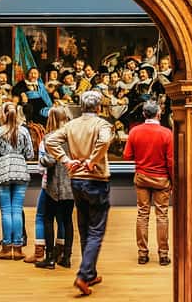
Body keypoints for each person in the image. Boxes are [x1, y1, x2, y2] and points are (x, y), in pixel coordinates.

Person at [45, 91, 113, 295]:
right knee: (96, 230)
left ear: (82, 106)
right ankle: (83, 275)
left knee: (84, 227)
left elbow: (50, 141)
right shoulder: (102, 125)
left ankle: (90, 273)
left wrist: (66, 161)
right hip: (96, 180)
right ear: (98, 107)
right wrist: (92, 161)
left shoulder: (71, 125)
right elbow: (104, 141)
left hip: (76, 180)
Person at [123, 101, 174, 265]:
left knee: (142, 214)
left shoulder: (135, 132)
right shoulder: (167, 133)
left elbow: (127, 156)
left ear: (144, 114)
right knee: (162, 216)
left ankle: (142, 254)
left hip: (142, 177)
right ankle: (163, 254)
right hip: (161, 179)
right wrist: (173, 181)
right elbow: (171, 161)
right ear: (158, 114)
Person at [0, 101, 34, 260]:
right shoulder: (24, 131)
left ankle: (6, 248)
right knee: (17, 210)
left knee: (6, 211)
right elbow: (30, 154)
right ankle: (18, 249)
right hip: (20, 171)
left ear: (3, 114)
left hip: (2, 172)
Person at [35, 106, 75, 270]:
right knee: (67, 220)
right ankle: (66, 257)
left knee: (48, 219)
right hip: (71, 185)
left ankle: (50, 258)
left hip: (54, 186)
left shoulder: (50, 137)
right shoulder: (73, 137)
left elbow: (50, 161)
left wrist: (41, 160)